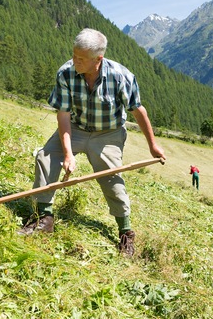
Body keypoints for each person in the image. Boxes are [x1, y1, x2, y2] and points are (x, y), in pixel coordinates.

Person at [18, 28, 165, 257]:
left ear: (98, 59)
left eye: (81, 58)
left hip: (108, 134)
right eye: (74, 55)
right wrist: (67, 154)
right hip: (75, 128)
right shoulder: (66, 73)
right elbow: (63, 115)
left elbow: (137, 110)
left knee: (111, 179)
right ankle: (44, 218)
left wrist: (153, 146)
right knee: (45, 157)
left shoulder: (120, 75)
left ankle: (125, 232)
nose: (75, 61)